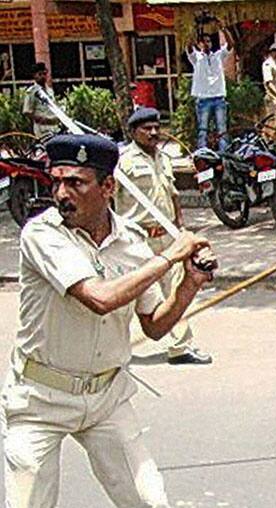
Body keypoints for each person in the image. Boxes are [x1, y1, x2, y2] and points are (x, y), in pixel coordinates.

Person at [2, 134, 217, 508]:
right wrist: (170, 256)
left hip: (106, 398)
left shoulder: (132, 244)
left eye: (76, 183)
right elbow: (99, 298)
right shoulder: (43, 236)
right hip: (39, 398)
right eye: (57, 182)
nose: (62, 193)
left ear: (107, 187)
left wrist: (188, 282)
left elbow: (156, 325)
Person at [115, 108, 212, 365]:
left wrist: (181, 229)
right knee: (130, 294)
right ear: (134, 132)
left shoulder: (164, 158)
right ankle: (113, 349)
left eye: (156, 127)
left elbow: (173, 196)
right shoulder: (121, 162)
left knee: (176, 292)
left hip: (167, 237)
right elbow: (108, 201)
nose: (154, 133)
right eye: (146, 128)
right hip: (136, 239)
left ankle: (181, 346)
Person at [186, 30, 230, 150]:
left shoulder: (218, 56)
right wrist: (192, 31)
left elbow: (230, 45)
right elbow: (189, 47)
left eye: (208, 41)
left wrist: (224, 29)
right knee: (202, 129)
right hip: (203, 99)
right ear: (199, 44)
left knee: (222, 128)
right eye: (203, 42)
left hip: (218, 98)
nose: (206, 44)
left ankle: (224, 152)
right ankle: (202, 153)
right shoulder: (196, 58)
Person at [21, 63, 60, 138]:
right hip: (42, 128)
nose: (43, 76)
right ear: (34, 75)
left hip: (54, 127)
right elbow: (27, 111)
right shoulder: (33, 92)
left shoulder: (50, 91)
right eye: (40, 74)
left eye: (44, 74)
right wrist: (42, 119)